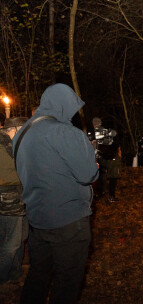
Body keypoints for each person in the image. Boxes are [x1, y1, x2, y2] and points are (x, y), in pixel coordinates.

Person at [14, 84, 99, 303]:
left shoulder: (22, 133)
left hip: (38, 220)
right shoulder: (65, 132)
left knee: (38, 275)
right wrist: (89, 154)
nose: (72, 114)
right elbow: (87, 174)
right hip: (69, 221)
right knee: (67, 282)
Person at [0, 117, 28, 285]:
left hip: (19, 199)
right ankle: (3, 277)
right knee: (11, 243)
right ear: (14, 129)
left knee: (20, 238)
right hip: (8, 201)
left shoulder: (10, 145)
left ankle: (15, 271)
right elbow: (7, 175)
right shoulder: (3, 146)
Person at [91, 117, 122, 202]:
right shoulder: (101, 132)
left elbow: (114, 134)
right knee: (111, 176)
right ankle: (110, 195)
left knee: (101, 176)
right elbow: (114, 133)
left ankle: (102, 193)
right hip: (109, 158)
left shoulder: (100, 132)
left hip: (104, 158)